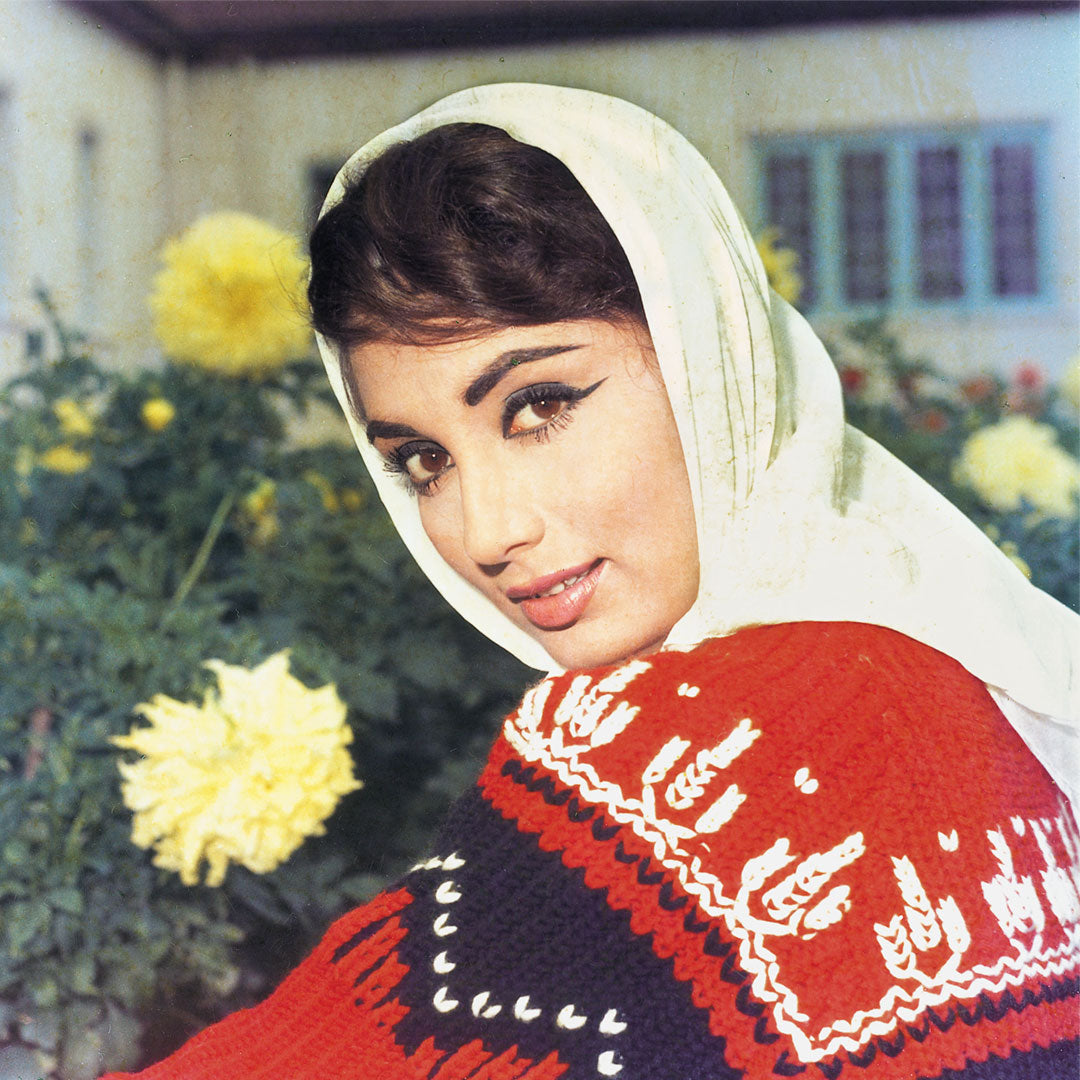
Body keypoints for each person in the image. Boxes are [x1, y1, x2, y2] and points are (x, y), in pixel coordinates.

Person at [104, 84, 1079, 1080]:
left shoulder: (673, 775)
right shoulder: (969, 675)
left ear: (712, 358)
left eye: (540, 406)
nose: (487, 532)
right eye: (423, 462)